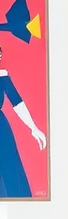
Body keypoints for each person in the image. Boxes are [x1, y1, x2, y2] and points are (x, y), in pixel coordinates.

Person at [0, 42, 46, 199]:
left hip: (1, 131)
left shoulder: (2, 76)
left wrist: (33, 127)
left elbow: (17, 102)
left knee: (8, 172)